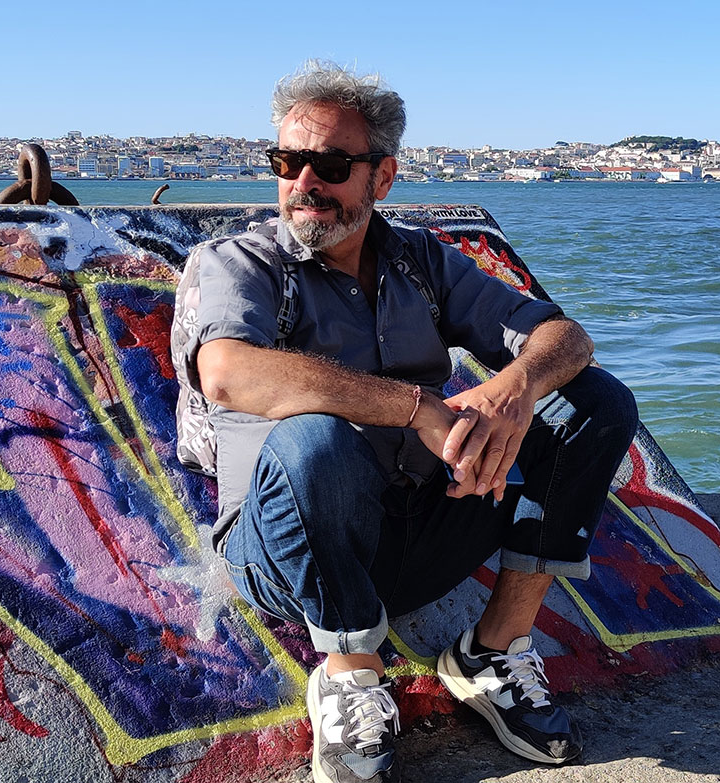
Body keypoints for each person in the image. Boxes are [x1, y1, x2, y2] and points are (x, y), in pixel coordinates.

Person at [174, 61, 638, 783]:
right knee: (314, 439)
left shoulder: (420, 262)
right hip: (288, 552)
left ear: (382, 178)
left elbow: (566, 338)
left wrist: (514, 388)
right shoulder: (244, 265)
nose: (304, 183)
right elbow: (228, 372)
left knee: (595, 403)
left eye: (331, 166)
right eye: (287, 162)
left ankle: (492, 652)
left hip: (421, 525)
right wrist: (417, 407)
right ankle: (350, 674)